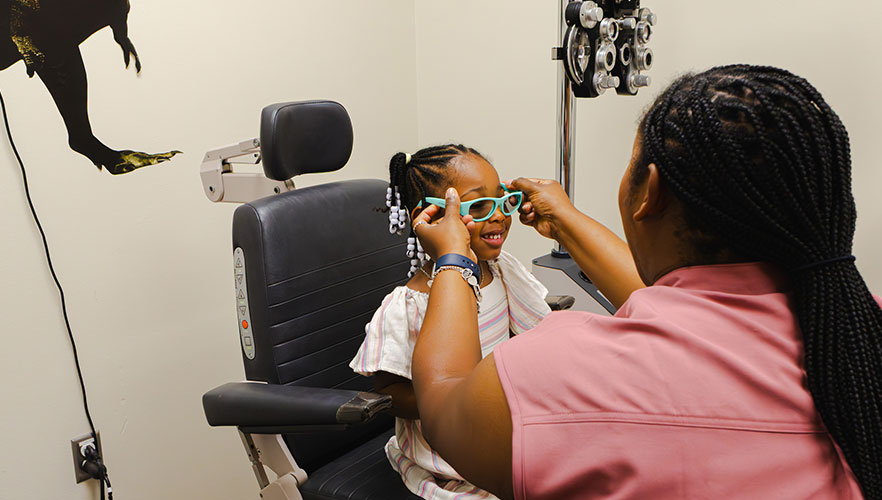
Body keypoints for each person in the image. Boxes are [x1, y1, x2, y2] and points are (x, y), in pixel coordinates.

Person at [409, 65, 881, 500]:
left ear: (649, 190)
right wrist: (567, 219)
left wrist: (453, 258)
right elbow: (680, 308)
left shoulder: (565, 375)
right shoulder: (859, 328)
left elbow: (446, 401)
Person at [349, 144, 552, 500]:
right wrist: (471, 399)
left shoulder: (501, 272)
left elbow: (536, 330)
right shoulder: (411, 303)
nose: (500, 216)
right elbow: (387, 392)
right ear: (429, 218)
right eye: (478, 206)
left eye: (503, 200)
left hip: (502, 426)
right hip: (449, 451)